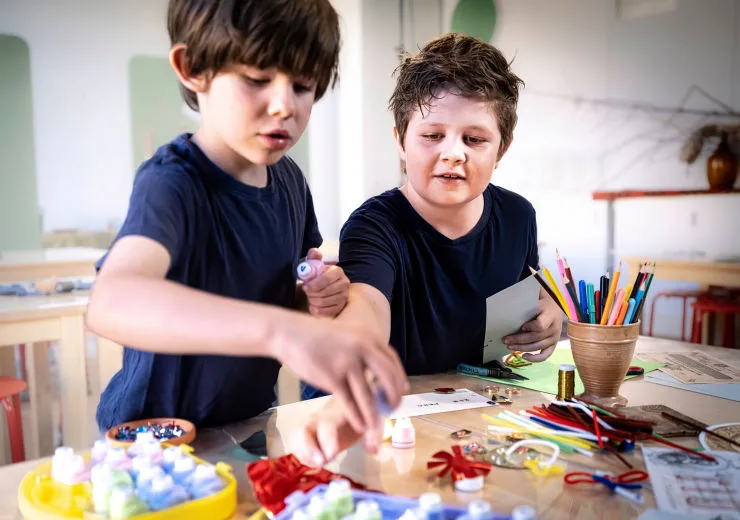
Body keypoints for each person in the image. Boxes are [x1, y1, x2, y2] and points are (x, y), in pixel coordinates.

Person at [86, 0, 407, 455]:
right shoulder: (173, 182)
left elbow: (281, 299)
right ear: (192, 68)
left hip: (247, 427)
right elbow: (111, 301)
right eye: (256, 79)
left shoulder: (291, 182)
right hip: (155, 438)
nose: (284, 106)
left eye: (302, 85)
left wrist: (313, 303)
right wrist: (282, 331)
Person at [293, 33, 562, 463]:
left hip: (474, 414)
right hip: (384, 418)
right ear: (401, 140)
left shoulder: (517, 216)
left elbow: (527, 286)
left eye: (474, 139)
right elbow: (367, 312)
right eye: (433, 135)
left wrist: (551, 312)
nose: (453, 153)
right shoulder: (374, 224)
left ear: (502, 149)